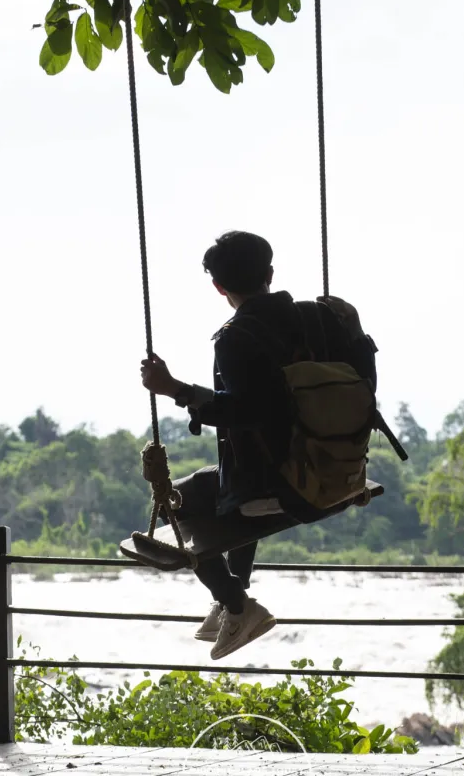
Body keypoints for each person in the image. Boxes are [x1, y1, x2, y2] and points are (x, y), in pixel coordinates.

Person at [139, 230, 377, 660]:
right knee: (231, 480)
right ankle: (232, 599)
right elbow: (366, 384)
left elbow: (248, 412)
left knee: (184, 501)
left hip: (288, 489)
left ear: (219, 287)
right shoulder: (322, 317)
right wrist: (355, 328)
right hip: (343, 473)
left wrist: (175, 388)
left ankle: (236, 603)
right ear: (270, 273)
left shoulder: (235, 337)